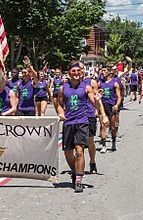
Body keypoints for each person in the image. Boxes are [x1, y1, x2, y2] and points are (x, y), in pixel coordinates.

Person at [55, 61, 97, 193]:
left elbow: (94, 102)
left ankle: (79, 179)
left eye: (78, 71)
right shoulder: (63, 88)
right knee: (68, 152)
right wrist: (61, 113)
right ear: (69, 73)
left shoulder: (86, 87)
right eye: (73, 71)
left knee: (79, 150)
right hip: (68, 122)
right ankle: (75, 170)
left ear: (81, 72)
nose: (76, 73)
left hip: (82, 122)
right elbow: (59, 104)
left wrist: (98, 101)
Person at [98, 66, 122, 153]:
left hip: (111, 106)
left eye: (104, 71)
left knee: (112, 127)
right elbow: (96, 96)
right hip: (103, 106)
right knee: (102, 126)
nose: (102, 72)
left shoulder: (114, 83)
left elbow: (119, 97)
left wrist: (116, 105)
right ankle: (104, 145)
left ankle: (114, 141)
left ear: (109, 72)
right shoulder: (100, 83)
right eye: (102, 70)